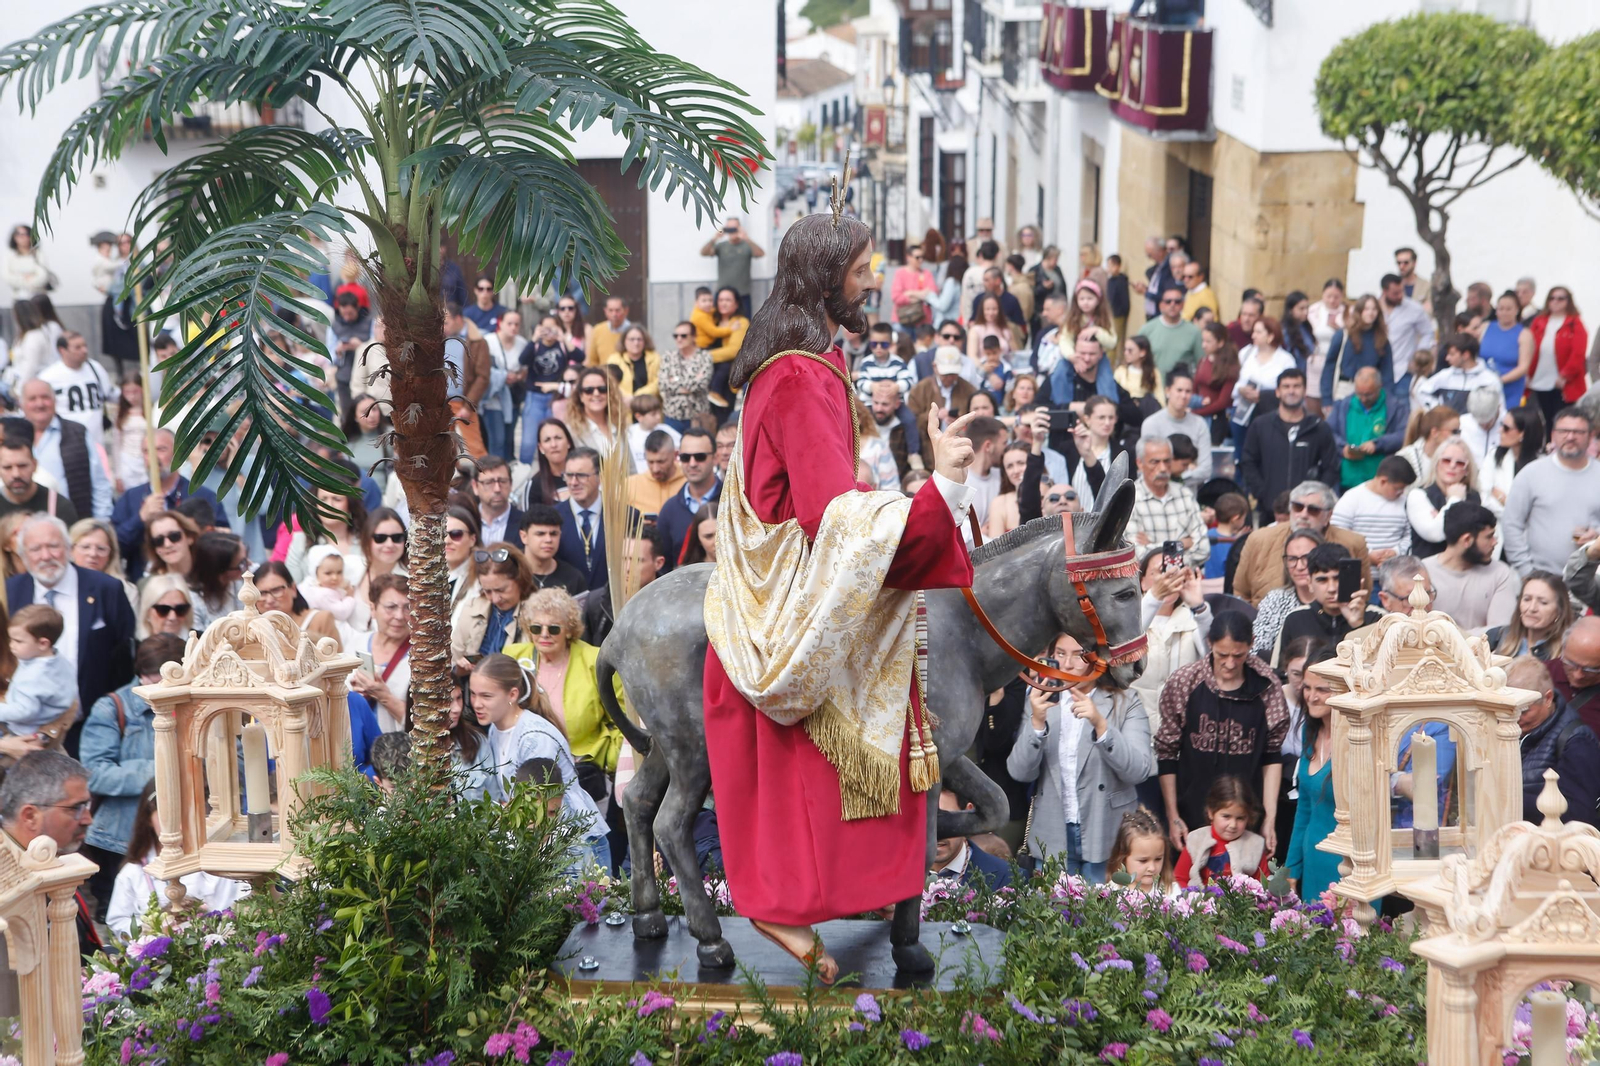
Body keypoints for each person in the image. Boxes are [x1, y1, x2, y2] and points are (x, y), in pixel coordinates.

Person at [703, 210, 981, 981]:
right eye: (862, 271)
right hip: (792, 598)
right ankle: (780, 898)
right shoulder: (798, 374)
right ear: (827, 279)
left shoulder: (805, 362)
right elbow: (831, 514)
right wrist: (941, 486)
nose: (873, 283)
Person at [1005, 631, 1154, 883]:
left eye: (1078, 655)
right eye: (1060, 654)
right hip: (1052, 831)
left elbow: (1139, 770)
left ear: (1097, 659)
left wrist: (1101, 726)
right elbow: (1019, 771)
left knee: (1107, 916)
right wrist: (1037, 724)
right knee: (1055, 916)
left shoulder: (1127, 700)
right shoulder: (1040, 700)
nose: (1067, 664)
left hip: (1108, 830)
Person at [1156, 611, 1288, 856]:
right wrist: (1173, 815)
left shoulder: (1267, 686)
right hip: (1192, 811)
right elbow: (1166, 753)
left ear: (1251, 644)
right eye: (1222, 655)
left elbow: (1272, 755)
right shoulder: (1185, 681)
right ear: (1209, 644)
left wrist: (1270, 818)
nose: (1230, 663)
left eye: (1238, 655)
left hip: (1245, 817)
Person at [77, 633, 186, 922]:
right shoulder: (112, 707)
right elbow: (94, 773)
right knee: (123, 921)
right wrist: (163, 769)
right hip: (121, 839)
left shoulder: (197, 702)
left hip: (189, 833)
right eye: (151, 679)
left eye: (169, 680)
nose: (159, 688)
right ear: (139, 674)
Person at [468, 653, 609, 870]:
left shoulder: (535, 737)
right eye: (473, 694)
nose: (477, 703)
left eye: (486, 696)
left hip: (575, 846)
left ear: (512, 694)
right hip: (541, 844)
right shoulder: (496, 728)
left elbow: (537, 808)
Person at [7, 514, 136, 752]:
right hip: (24, 736)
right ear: (24, 556)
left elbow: (124, 656)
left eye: (53, 546)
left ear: (68, 548)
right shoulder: (9, 592)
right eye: (36, 549)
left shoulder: (106, 589)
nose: (46, 556)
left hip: (92, 728)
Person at [0, 751, 101, 955]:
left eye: (87, 805)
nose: (87, 819)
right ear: (30, 816)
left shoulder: (56, 859)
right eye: (76, 808)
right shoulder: (7, 885)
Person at [523, 587, 625, 772]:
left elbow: (623, 718)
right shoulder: (515, 658)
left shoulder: (594, 661)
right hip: (526, 768)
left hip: (582, 769)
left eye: (553, 628)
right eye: (537, 628)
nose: (544, 634)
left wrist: (610, 759)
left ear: (569, 630)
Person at [109, 428, 228, 581]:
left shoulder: (203, 496)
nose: (152, 457)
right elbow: (115, 548)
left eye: (161, 449)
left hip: (196, 581)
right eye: (146, 451)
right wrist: (140, 519)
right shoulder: (130, 498)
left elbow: (221, 543)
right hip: (146, 586)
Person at [1233, 480, 1370, 606]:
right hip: (1268, 625)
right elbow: (1240, 593)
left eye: (1313, 510)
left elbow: (1363, 593)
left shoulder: (1353, 543)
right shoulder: (1259, 540)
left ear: (1328, 516)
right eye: (1298, 507)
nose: (1303, 514)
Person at [1504, 407, 1600, 576]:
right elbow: (1512, 524)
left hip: (1590, 580)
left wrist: (1597, 535)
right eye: (1564, 431)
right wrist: (1527, 572)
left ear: (1591, 436)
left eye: (1578, 432)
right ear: (1553, 435)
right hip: (1540, 578)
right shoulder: (1531, 473)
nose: (1570, 437)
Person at [1508, 656, 1600, 828]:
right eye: (1508, 711)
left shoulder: (1577, 741)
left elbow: (1580, 815)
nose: (1515, 718)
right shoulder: (1512, 729)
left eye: (1524, 711)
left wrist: (1510, 798)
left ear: (1548, 699)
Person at [1240, 368, 1338, 524]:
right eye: (1286, 386)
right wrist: (1263, 493)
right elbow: (1248, 461)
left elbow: (1331, 467)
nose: (1291, 391)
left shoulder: (1318, 427)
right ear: (1277, 392)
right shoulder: (1261, 425)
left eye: (1296, 386)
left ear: (1304, 391)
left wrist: (1315, 495)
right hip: (1270, 510)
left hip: (1307, 513)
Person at [11, 379, 111, 520]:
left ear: (54, 401)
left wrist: (101, 522)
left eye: (45, 397)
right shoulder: (11, 435)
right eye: (32, 399)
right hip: (22, 522)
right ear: (21, 404)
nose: (40, 404)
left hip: (72, 521)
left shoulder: (78, 433)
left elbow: (99, 483)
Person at [1285, 644, 1340, 900]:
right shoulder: (1310, 731)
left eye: (1322, 689)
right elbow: (1304, 809)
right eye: (1307, 687)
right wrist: (1292, 867)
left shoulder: (1360, 741)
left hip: (1347, 864)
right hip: (1312, 855)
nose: (1312, 696)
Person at [1273, 543, 1382, 666]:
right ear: (1309, 583)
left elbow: (1383, 669)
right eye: (1322, 580)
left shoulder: (1377, 618)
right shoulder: (1295, 619)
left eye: (1337, 578)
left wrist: (1358, 625)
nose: (1331, 588)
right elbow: (1279, 673)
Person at [1131, 549, 1212, 712]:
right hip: (1137, 721)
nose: (1168, 578)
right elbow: (1127, 643)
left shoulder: (1194, 619)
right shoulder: (1129, 618)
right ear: (1142, 582)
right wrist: (1154, 598)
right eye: (1161, 571)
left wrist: (1199, 607)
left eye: (1175, 572)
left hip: (1182, 723)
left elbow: (1216, 656)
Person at [1424, 502, 1517, 631]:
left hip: (1481, 651)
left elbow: (1499, 632)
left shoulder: (1500, 573)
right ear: (1466, 540)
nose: (1495, 542)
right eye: (1489, 537)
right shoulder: (1422, 573)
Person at [449, 543, 541, 665]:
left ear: (520, 579)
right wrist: (460, 670)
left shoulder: (538, 613)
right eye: (487, 591)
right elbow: (453, 657)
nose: (495, 599)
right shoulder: (472, 608)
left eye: (501, 590)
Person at [1171, 775, 1270, 887]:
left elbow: (1263, 886)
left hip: (1241, 904)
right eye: (1226, 816)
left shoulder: (1254, 845)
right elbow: (1179, 878)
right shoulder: (1196, 840)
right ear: (1211, 812)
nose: (1233, 825)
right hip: (1199, 902)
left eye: (1240, 818)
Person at [1125, 437, 1208, 568]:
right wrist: (1181, 543)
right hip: (1148, 585)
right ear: (1140, 464)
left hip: (1184, 581)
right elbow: (1136, 554)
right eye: (1155, 462)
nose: (1163, 468)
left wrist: (1155, 548)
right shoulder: (1129, 499)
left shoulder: (1185, 494)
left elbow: (1203, 548)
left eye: (1167, 461)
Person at [346, 573, 412, 734]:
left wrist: (385, 697)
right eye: (391, 607)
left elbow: (429, 725)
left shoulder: (423, 659)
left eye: (407, 607)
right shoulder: (355, 644)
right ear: (373, 609)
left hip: (396, 753)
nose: (399, 616)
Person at [0, 604, 74, 741]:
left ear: (43, 643)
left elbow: (24, 711)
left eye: (17, 641)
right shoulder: (57, 659)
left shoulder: (32, 676)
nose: (11, 645)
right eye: (11, 640)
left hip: (23, 732)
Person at [1329, 365, 1408, 492]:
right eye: (1359, 394)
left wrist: (1378, 444)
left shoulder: (1396, 407)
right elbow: (1328, 432)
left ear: (1379, 386)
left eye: (1369, 394)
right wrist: (1342, 448)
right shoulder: (1343, 406)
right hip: (1347, 480)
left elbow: (1404, 434)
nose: (1363, 399)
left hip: (1379, 481)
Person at [1230, 316, 1299, 460]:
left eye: (1258, 332)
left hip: (1270, 414)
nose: (1253, 335)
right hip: (1244, 413)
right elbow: (1235, 381)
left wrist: (1262, 395)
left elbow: (1289, 390)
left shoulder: (1285, 360)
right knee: (1242, 456)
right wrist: (1241, 389)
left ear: (1270, 336)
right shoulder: (1246, 353)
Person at [1330, 455, 1416, 562]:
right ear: (1383, 481)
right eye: (1398, 489)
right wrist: (1366, 555)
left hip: (1396, 573)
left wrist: (1396, 552)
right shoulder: (1351, 499)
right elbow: (1337, 535)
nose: (1402, 492)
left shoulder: (1405, 502)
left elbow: (1411, 536)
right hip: (1360, 573)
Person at [655, 428, 722, 565]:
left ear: (715, 458)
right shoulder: (669, 510)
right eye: (685, 458)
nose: (692, 463)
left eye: (700, 457)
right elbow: (663, 567)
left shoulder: (735, 503)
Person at [1138, 369, 1212, 487]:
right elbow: (1148, 468)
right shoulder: (1151, 424)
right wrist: (1189, 468)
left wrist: (1176, 475)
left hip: (1189, 497)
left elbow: (1205, 470)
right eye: (1179, 390)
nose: (1183, 396)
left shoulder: (1200, 424)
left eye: (1188, 391)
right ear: (1168, 391)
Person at [1526, 286, 1587, 428]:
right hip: (1540, 378)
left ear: (1568, 301)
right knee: (1544, 418)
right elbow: (1529, 349)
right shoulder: (1539, 321)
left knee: (1561, 419)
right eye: (1552, 298)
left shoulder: (1575, 323)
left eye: (1561, 298)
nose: (1556, 302)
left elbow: (1578, 354)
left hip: (1563, 382)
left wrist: (1565, 375)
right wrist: (1527, 373)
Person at [927, 788, 1012, 889]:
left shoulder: (1006, 877)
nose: (936, 832)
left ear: (967, 814)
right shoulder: (904, 872)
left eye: (947, 820)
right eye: (926, 819)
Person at [908, 348, 979, 459]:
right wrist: (932, 417)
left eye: (953, 373)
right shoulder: (920, 389)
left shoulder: (969, 390)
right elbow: (912, 421)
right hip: (928, 451)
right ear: (934, 367)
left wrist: (960, 422)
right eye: (946, 374)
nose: (950, 378)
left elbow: (977, 420)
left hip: (959, 449)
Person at [1321, 293, 1393, 401]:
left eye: (1374, 309)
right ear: (1359, 311)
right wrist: (1326, 398)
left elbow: (1387, 373)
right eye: (1366, 309)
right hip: (1345, 389)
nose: (1370, 313)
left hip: (1371, 392)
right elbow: (1329, 367)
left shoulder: (1382, 339)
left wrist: (1387, 399)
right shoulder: (1344, 335)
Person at [554, 447, 608, 589]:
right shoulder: (553, 518)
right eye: (569, 475)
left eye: (581, 475)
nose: (573, 482)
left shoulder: (626, 516)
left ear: (600, 476)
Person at [1489, 570, 1572, 661]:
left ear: (1559, 610)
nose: (1532, 608)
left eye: (1543, 602)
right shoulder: (1497, 636)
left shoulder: (1567, 653)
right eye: (1527, 599)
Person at [252, 561, 339, 644]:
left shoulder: (321, 619)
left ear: (293, 589)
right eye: (262, 593)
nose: (270, 600)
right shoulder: (250, 628)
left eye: (276, 590)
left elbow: (338, 657)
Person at [1417, 332, 1503, 416]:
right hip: (1448, 429)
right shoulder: (1445, 375)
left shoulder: (1490, 379)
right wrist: (1439, 410)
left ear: (1466, 355)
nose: (1447, 358)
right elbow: (1422, 391)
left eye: (1452, 354)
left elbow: (1500, 409)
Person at [1379, 272, 1437, 393]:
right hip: (1377, 370)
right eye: (1395, 293)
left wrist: (1419, 354)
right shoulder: (1373, 308)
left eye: (1402, 291)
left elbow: (1428, 332)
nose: (1400, 296)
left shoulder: (1414, 308)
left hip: (1403, 371)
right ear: (1384, 291)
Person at [0, 436, 78, 525]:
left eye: (22, 466)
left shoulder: (59, 506)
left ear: (35, 465)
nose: (16, 474)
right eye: (7, 467)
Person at [1480, 290, 1534, 410]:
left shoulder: (1524, 334)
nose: (1504, 312)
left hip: (1509, 387)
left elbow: (1523, 367)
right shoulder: (1485, 327)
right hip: (1483, 385)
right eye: (1501, 309)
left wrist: (1498, 381)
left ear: (1517, 310)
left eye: (1509, 309)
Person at [516, 506, 588, 595]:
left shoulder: (573, 578)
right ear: (524, 537)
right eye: (540, 534)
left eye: (554, 534)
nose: (548, 539)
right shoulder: (509, 573)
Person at [701, 216, 765, 315]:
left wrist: (746, 238)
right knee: (720, 323)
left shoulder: (747, 245)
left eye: (734, 228)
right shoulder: (721, 246)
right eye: (729, 228)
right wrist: (715, 238)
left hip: (742, 294)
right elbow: (704, 253)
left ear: (740, 228)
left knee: (745, 324)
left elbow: (760, 254)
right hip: (722, 294)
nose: (731, 231)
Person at [1137, 286, 1205, 377]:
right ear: (1161, 305)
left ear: (1183, 305)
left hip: (1181, 389)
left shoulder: (1194, 332)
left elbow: (1201, 364)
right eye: (1168, 302)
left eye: (1177, 302)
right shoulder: (1146, 330)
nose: (1172, 305)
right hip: (1153, 387)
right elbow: (1136, 360)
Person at [659, 320, 713, 431]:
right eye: (676, 336)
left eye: (683, 335)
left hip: (697, 416)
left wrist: (675, 381)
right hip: (672, 415)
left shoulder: (704, 357)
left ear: (693, 337)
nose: (679, 339)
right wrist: (692, 381)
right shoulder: (668, 357)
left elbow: (701, 384)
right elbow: (663, 384)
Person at [1307, 278, 1347, 414]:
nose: (1332, 300)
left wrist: (1338, 329)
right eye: (1328, 296)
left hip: (1337, 361)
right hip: (1316, 358)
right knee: (1313, 401)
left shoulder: (1348, 312)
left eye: (1336, 297)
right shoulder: (1314, 310)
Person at [1107, 808, 1170, 893]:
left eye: (1158, 859)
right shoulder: (1112, 892)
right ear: (1123, 858)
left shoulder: (1170, 890)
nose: (1152, 868)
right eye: (1143, 861)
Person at [1395, 404, 1461, 486]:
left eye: (1459, 432)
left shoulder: (1457, 457)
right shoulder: (1406, 457)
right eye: (1454, 432)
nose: (1458, 436)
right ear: (1435, 432)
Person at [1193, 321, 1239, 438]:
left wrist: (1196, 413)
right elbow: (1194, 388)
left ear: (1220, 343)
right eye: (1203, 341)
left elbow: (1223, 402)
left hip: (1215, 419)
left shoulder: (1229, 367)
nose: (1204, 345)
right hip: (1198, 413)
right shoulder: (1203, 361)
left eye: (1208, 342)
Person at [626, 430, 685, 519]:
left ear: (675, 455)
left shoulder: (689, 484)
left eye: (661, 462)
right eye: (650, 462)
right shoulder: (629, 486)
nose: (655, 469)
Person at [567, 367, 620, 461]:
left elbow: (630, 468)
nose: (596, 393)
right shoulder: (572, 432)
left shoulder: (620, 425)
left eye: (602, 389)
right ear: (581, 396)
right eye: (589, 390)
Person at [855, 322, 917, 399]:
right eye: (874, 344)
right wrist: (872, 386)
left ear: (890, 344)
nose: (878, 347)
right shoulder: (866, 362)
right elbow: (861, 382)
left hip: (894, 402)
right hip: (870, 402)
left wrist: (897, 387)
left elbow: (908, 381)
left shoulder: (898, 362)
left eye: (884, 344)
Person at [444, 505, 482, 609]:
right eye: (442, 534)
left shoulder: (482, 578)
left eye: (456, 534)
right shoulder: (427, 575)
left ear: (472, 540)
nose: (447, 541)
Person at [1115, 335, 1164, 405]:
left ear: (1142, 353)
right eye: (1125, 350)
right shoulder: (1121, 371)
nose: (1126, 353)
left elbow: (1160, 396)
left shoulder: (1153, 372)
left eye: (1130, 350)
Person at [584, 296, 632, 367]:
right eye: (610, 310)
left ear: (626, 311)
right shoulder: (598, 330)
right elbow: (592, 360)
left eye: (617, 310)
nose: (614, 314)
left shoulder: (632, 331)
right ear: (605, 311)